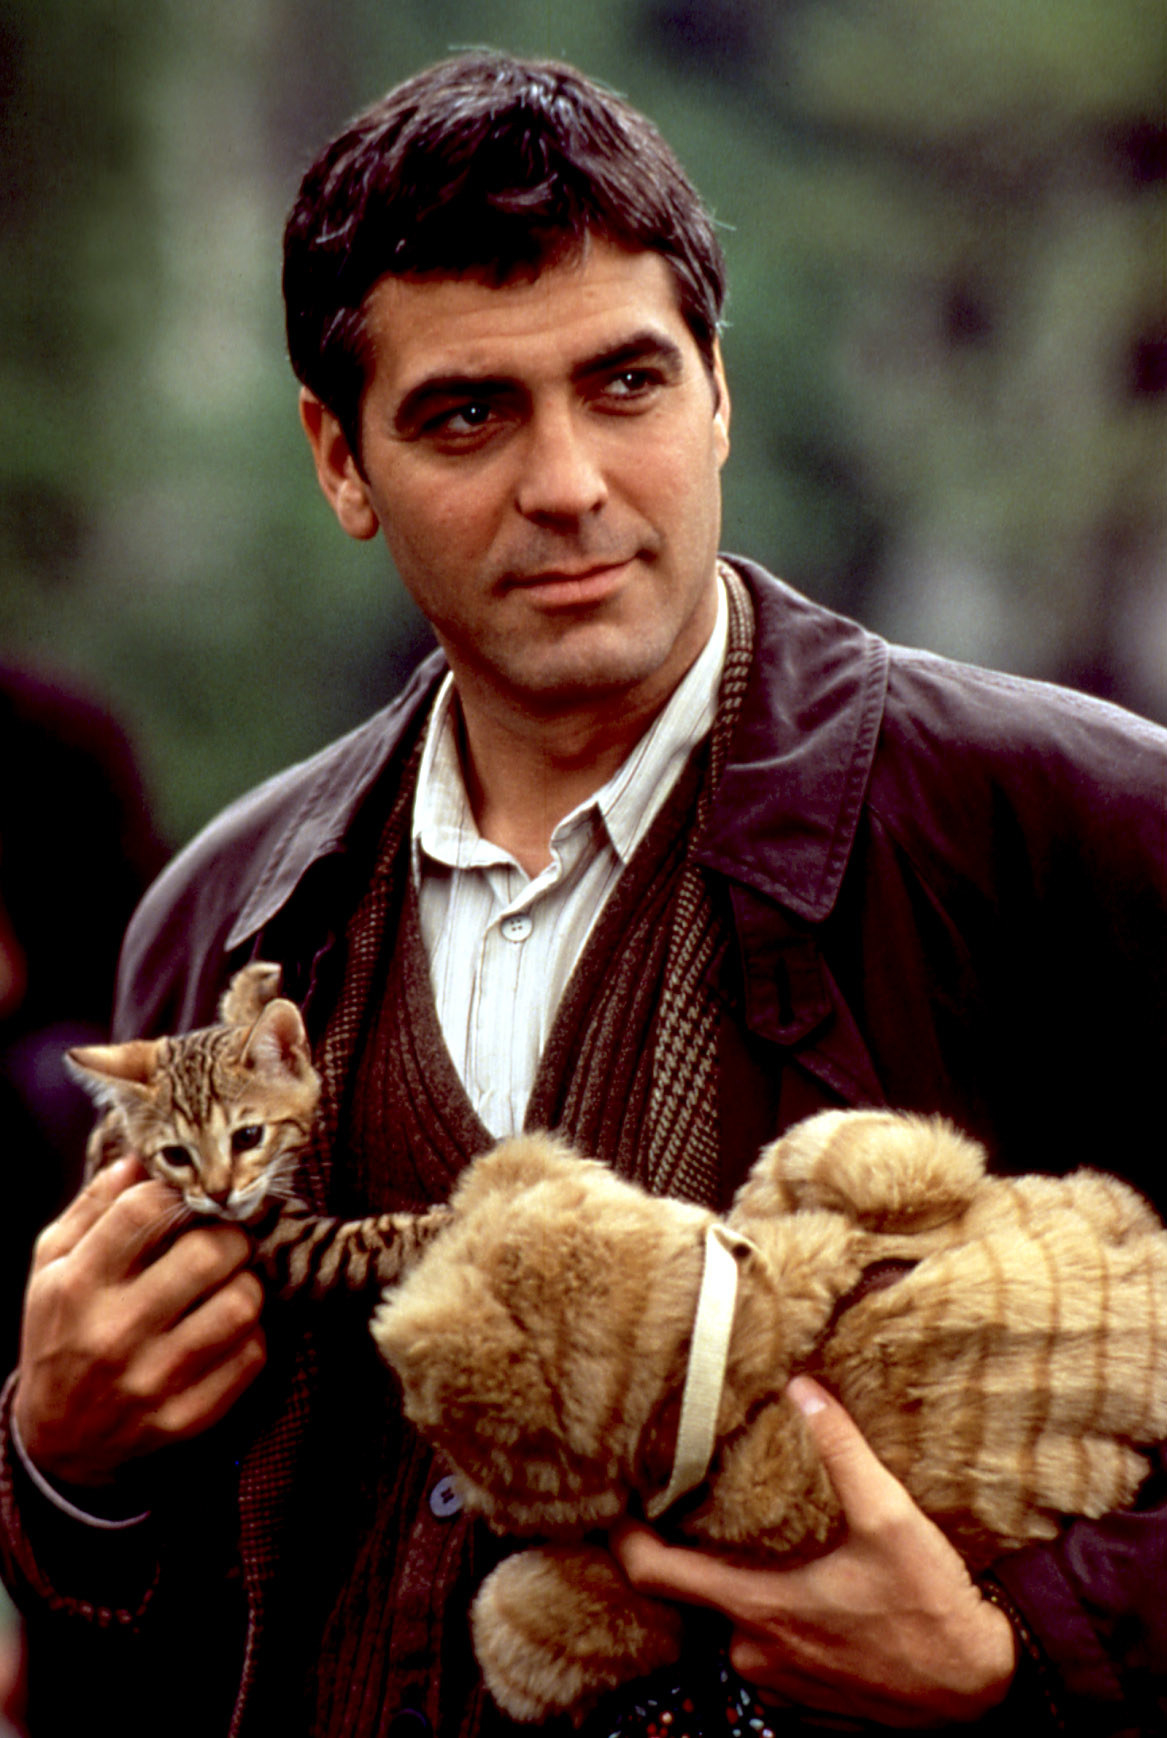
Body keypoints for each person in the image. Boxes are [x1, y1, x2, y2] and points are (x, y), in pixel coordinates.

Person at [1, 51, 1164, 1738]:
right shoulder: (221, 921)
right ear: (340, 460)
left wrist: (1015, 1656)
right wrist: (64, 1467)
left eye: (624, 384)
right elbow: (143, 1663)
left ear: (719, 396)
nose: (567, 485)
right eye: (468, 412)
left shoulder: (1068, 828)